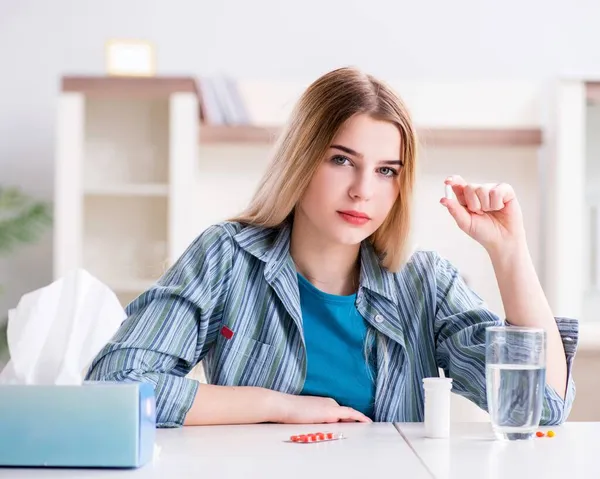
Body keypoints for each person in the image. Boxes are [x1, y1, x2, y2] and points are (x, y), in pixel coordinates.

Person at [85, 67, 578, 428]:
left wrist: (510, 253)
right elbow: (115, 384)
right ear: (301, 161)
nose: (364, 189)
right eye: (342, 160)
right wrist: (281, 407)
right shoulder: (225, 258)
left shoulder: (424, 282)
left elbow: (541, 408)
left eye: (387, 170)